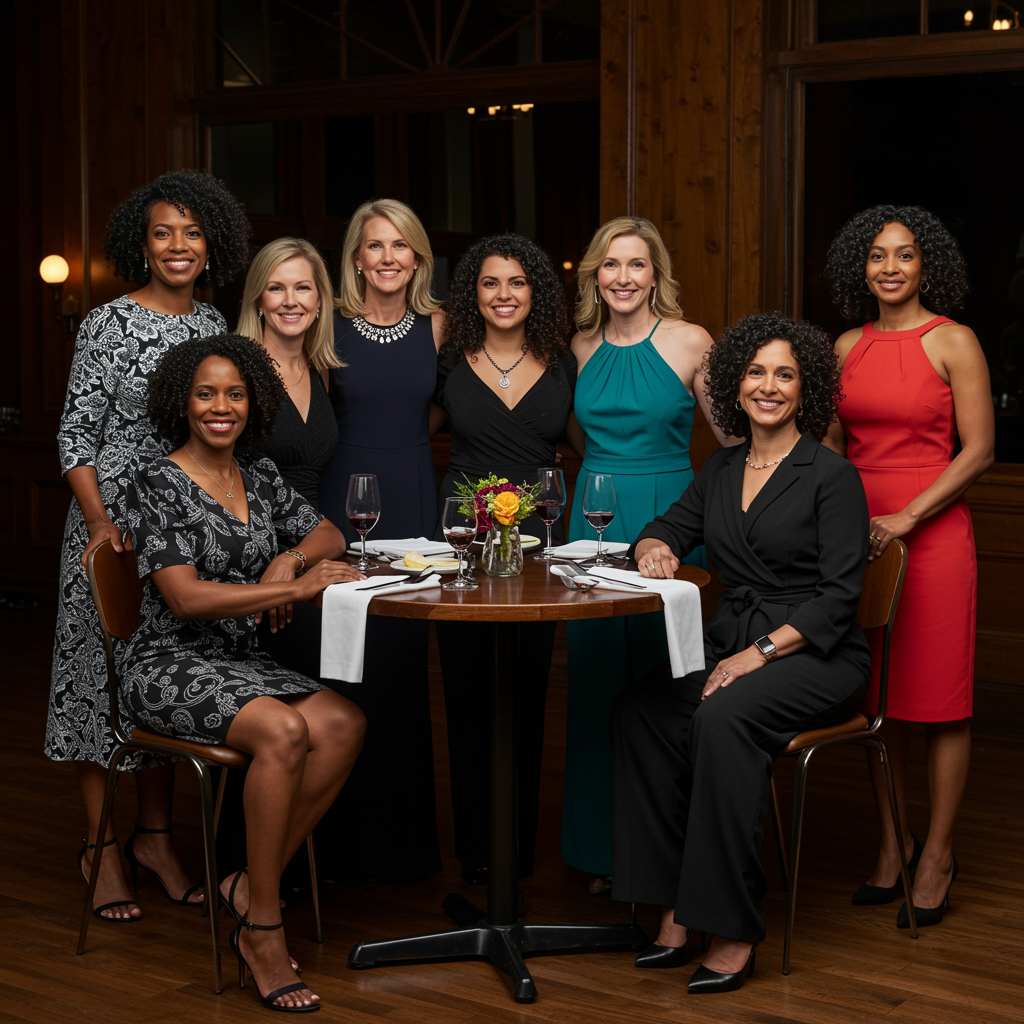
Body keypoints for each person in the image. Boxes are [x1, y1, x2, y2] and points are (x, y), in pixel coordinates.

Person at [613, 313, 871, 993]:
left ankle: (730, 928)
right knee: (644, 709)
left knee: (723, 718)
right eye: (756, 372)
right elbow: (666, 525)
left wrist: (758, 652)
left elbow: (838, 600)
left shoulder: (832, 475)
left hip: (819, 657)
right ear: (734, 383)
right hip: (735, 644)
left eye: (785, 374)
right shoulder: (723, 467)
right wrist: (653, 547)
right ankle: (674, 906)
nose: (768, 386)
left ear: (806, 389)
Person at [124, 334, 366, 1012]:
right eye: (205, 394)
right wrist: (291, 590)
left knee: (343, 723)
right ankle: (263, 928)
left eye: (234, 394)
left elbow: (328, 534)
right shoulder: (155, 481)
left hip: (239, 663)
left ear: (252, 403)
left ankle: (243, 886)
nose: (221, 407)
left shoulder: (257, 474)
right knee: (286, 731)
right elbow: (184, 598)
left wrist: (288, 559)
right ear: (182, 403)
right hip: (167, 663)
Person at [46, 170, 250, 921]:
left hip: (180, 536)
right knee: (95, 686)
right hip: (112, 535)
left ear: (211, 246)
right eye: (164, 232)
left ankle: (157, 840)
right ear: (143, 243)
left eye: (192, 233)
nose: (178, 246)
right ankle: (101, 848)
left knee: (163, 681)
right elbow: (75, 435)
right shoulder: (108, 323)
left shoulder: (213, 325)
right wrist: (101, 523)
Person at [823, 205, 994, 928]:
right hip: (861, 534)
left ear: (928, 266)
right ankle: (893, 845)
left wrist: (908, 516)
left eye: (905, 254)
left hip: (933, 532)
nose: (890, 267)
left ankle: (938, 857)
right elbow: (831, 444)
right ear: (859, 268)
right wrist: (838, 517)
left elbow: (979, 450)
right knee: (879, 698)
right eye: (876, 255)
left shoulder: (954, 340)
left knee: (942, 701)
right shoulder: (846, 345)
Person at [561, 215, 737, 894]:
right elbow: (580, 435)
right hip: (594, 518)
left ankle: (669, 855)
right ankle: (603, 852)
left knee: (667, 682)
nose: (623, 277)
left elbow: (734, 439)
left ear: (656, 273)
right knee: (597, 682)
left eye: (636, 264)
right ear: (594, 276)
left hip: (672, 514)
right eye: (611, 264)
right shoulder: (580, 345)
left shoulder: (692, 340)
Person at [434, 233, 576, 884]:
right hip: (462, 536)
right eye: (490, 282)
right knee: (466, 688)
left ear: (535, 291)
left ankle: (516, 850)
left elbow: (590, 439)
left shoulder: (564, 361)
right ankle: (476, 851)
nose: (503, 294)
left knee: (526, 686)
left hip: (539, 537)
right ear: (473, 293)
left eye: (517, 282)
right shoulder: (447, 360)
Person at [318, 199, 444, 882]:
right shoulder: (328, 323)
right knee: (345, 661)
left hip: (414, 496)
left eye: (401, 245)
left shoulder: (439, 324)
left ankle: (402, 849)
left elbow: (443, 404)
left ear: (418, 258)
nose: (389, 257)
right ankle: (338, 844)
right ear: (357, 258)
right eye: (375, 245)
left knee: (401, 665)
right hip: (347, 498)